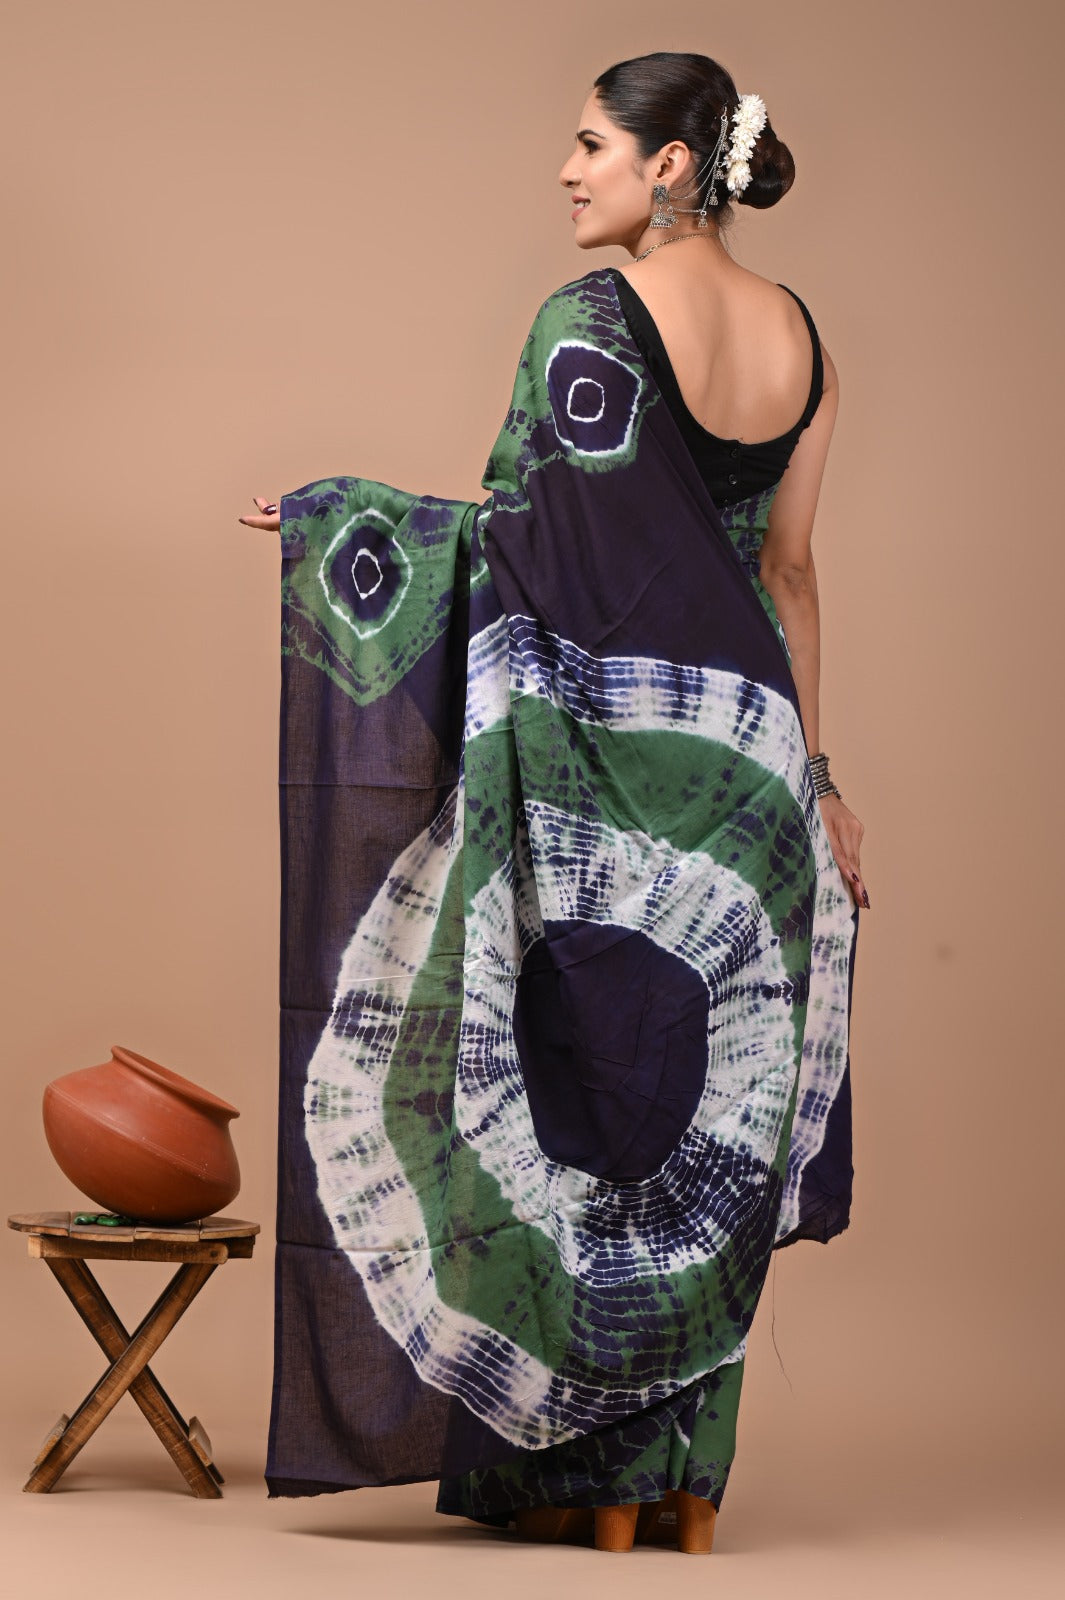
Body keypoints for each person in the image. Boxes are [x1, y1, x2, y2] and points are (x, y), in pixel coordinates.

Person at [239, 50, 866, 1556]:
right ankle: (686, 1488)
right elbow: (788, 576)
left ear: (670, 165)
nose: (568, 171)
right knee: (706, 1122)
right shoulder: (806, 342)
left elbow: (528, 545)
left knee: (584, 1100)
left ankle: (589, 1481)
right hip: (750, 785)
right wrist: (822, 781)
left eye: (591, 143)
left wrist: (345, 522)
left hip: (609, 777)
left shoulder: (587, 321)